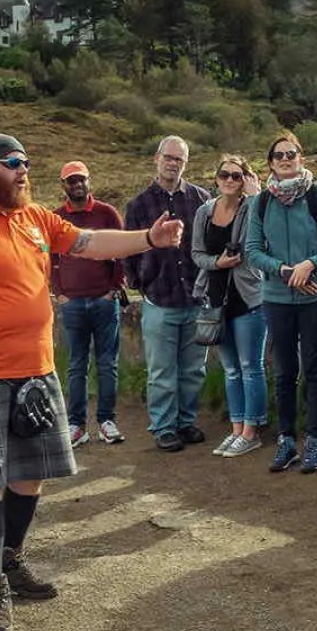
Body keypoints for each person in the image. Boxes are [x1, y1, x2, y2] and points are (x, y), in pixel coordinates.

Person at [0, 133, 183, 631]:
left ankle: (12, 560)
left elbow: (90, 244)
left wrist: (148, 238)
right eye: (13, 163)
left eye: (26, 162)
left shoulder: (35, 217)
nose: (24, 170)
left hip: (36, 370)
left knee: (31, 477)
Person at [245, 131, 317, 474]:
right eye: (279, 156)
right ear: (270, 163)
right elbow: (253, 251)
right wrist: (285, 271)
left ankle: (316, 441)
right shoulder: (260, 203)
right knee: (284, 371)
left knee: (316, 370)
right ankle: (287, 440)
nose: (285, 159)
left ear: (301, 158)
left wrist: (310, 265)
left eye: (291, 154)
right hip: (277, 298)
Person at [123, 136, 211, 452]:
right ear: (156, 159)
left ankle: (185, 422)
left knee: (193, 369)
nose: (173, 163)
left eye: (180, 159)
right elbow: (128, 252)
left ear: (185, 164)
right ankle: (163, 427)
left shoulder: (202, 199)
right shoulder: (138, 205)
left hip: (195, 299)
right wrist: (141, 283)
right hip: (159, 300)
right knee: (161, 370)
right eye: (168, 157)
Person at [191, 155, 267, 457]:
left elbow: (257, 241)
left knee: (251, 368)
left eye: (238, 176)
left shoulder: (252, 209)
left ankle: (252, 431)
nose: (230, 180)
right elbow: (196, 253)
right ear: (217, 177)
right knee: (231, 370)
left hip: (248, 297)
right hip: (215, 299)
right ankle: (236, 430)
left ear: (245, 179)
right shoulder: (203, 212)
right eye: (226, 175)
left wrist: (256, 194)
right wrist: (217, 262)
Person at [50, 160, 126, 446]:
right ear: (64, 186)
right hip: (72, 303)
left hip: (104, 301)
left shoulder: (107, 213)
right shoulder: (56, 217)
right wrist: (59, 293)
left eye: (81, 179)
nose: (77, 185)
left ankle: (107, 421)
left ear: (88, 181)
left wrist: (114, 289)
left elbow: (120, 251)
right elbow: (50, 258)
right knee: (75, 366)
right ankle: (76, 426)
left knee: (108, 364)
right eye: (71, 181)